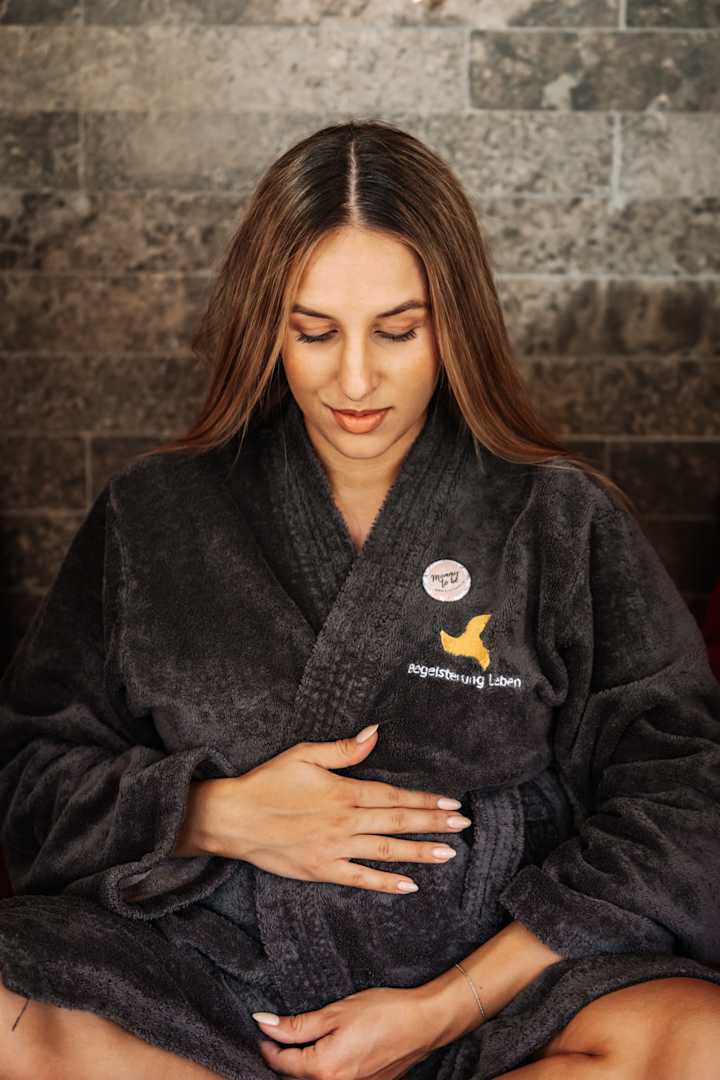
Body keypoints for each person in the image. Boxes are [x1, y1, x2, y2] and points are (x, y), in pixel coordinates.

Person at [1, 118, 720, 1080]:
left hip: (496, 1006)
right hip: (206, 998)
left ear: (454, 323)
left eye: (397, 331)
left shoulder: (558, 518)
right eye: (313, 332)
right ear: (267, 326)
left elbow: (685, 798)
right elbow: (30, 775)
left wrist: (445, 1006)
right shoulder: (153, 515)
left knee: (703, 1044)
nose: (354, 379)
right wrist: (212, 814)